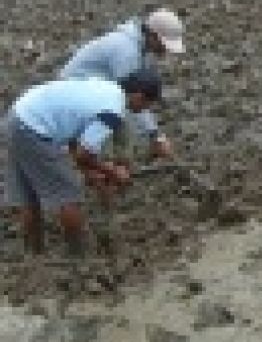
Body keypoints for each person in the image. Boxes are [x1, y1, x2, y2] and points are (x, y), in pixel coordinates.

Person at [4, 71, 162, 257]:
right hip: (35, 129)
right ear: (138, 96)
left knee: (28, 196)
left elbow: (73, 133)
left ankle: (34, 256)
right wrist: (111, 172)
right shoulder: (113, 110)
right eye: (147, 104)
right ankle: (78, 260)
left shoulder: (104, 86)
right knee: (68, 195)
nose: (144, 110)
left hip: (17, 116)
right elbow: (83, 154)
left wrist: (90, 171)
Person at [60, 9, 185, 160]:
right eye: (164, 45)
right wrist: (155, 135)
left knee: (119, 127)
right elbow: (135, 100)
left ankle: (113, 167)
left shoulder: (139, 48)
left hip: (92, 92)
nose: (165, 50)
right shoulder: (126, 51)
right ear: (152, 35)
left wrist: (154, 135)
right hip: (77, 95)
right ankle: (100, 167)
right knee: (112, 128)